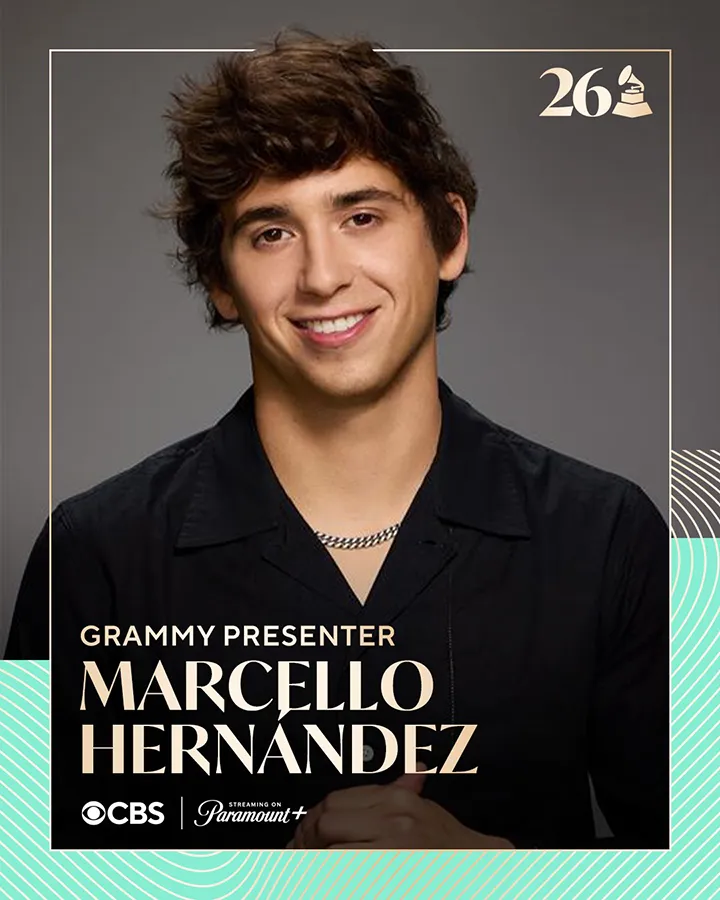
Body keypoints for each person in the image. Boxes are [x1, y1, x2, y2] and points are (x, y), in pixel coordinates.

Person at [5, 32, 668, 851]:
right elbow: (27, 870)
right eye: (270, 233)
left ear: (449, 234)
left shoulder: (611, 535)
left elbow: (699, 864)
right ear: (220, 281)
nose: (323, 276)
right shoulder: (93, 553)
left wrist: (494, 873)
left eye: (361, 215)